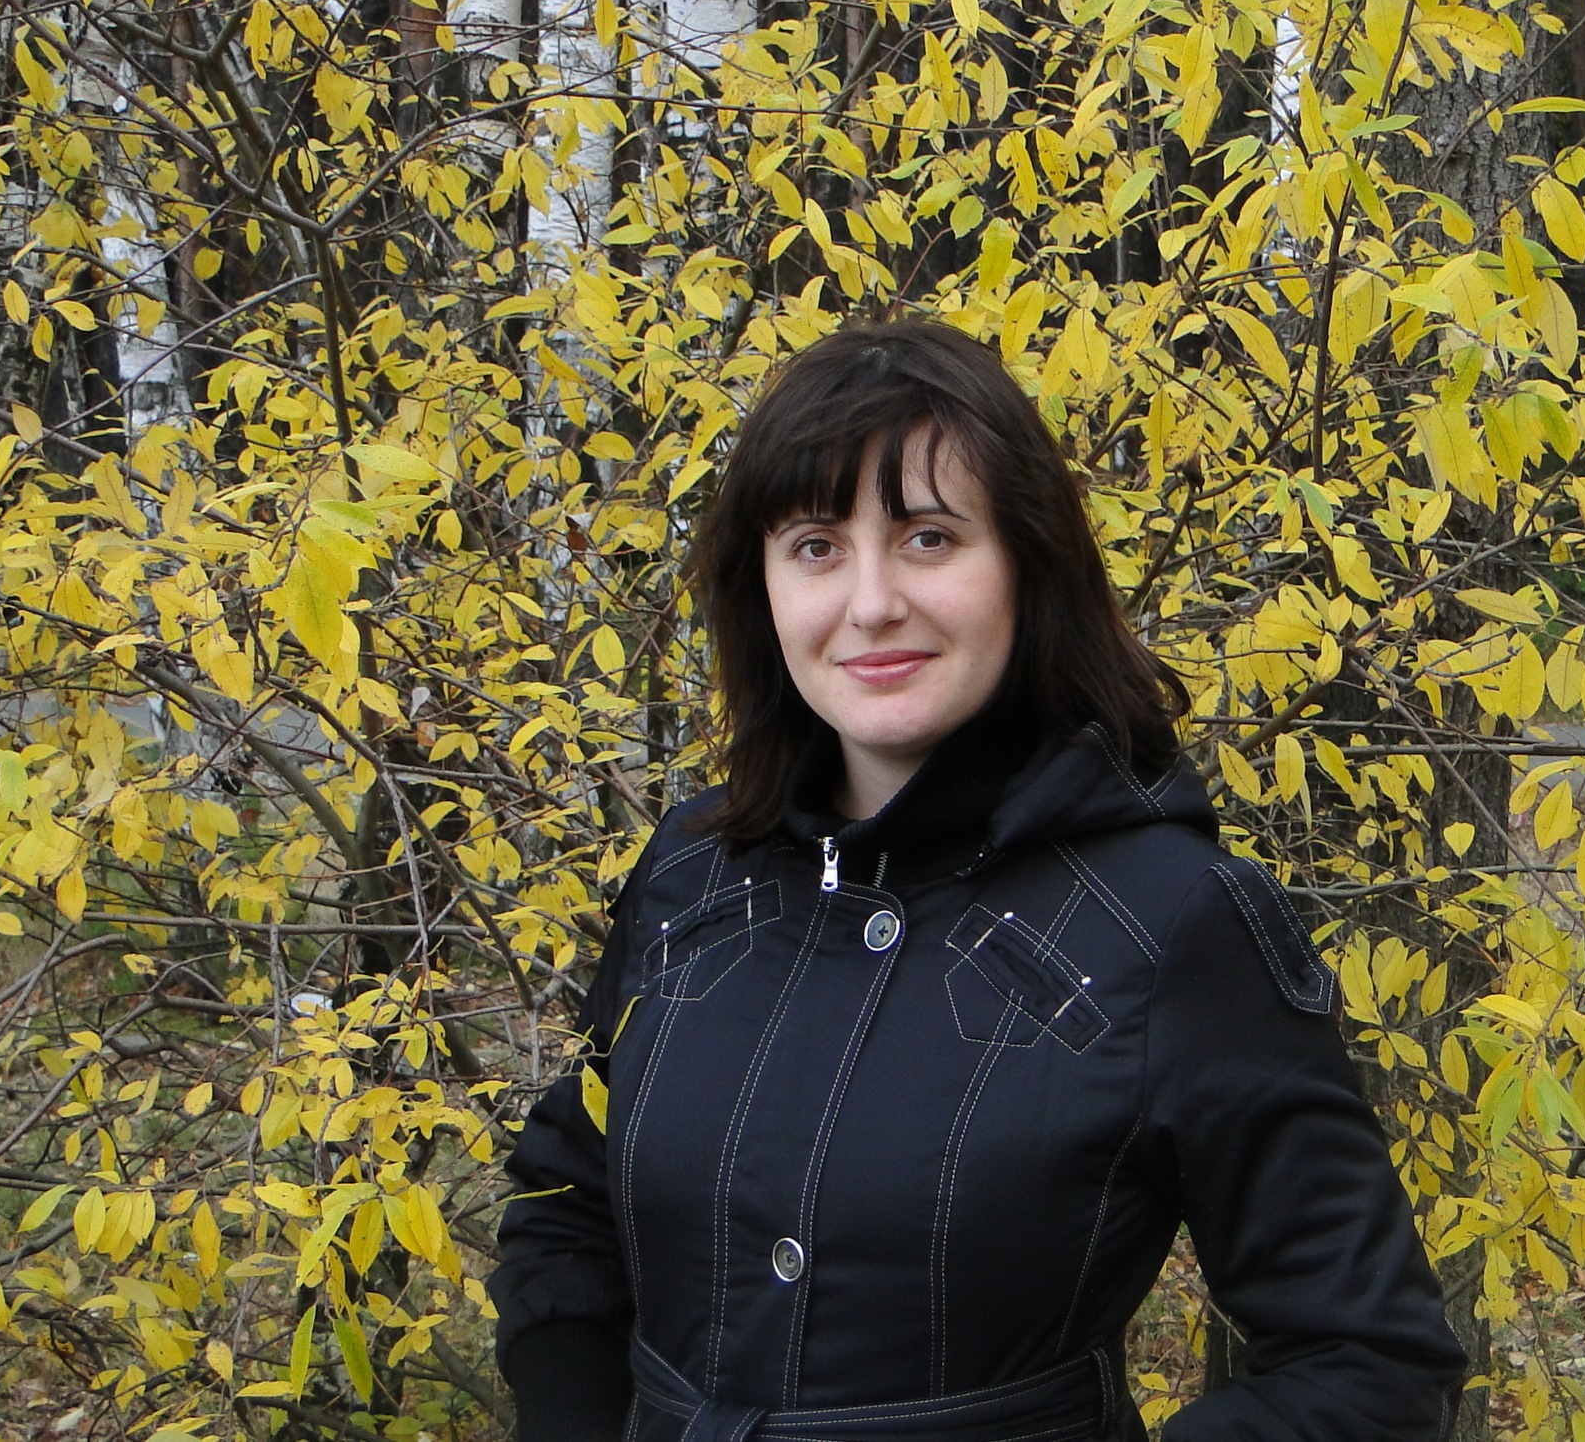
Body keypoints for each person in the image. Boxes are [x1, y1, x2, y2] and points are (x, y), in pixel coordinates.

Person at [486, 320, 1467, 1442]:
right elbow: (567, 1203)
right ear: (761, 586)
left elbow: (1369, 1365)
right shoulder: (694, 874)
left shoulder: (1169, 918)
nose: (869, 603)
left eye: (928, 537)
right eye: (816, 546)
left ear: (1026, 564)